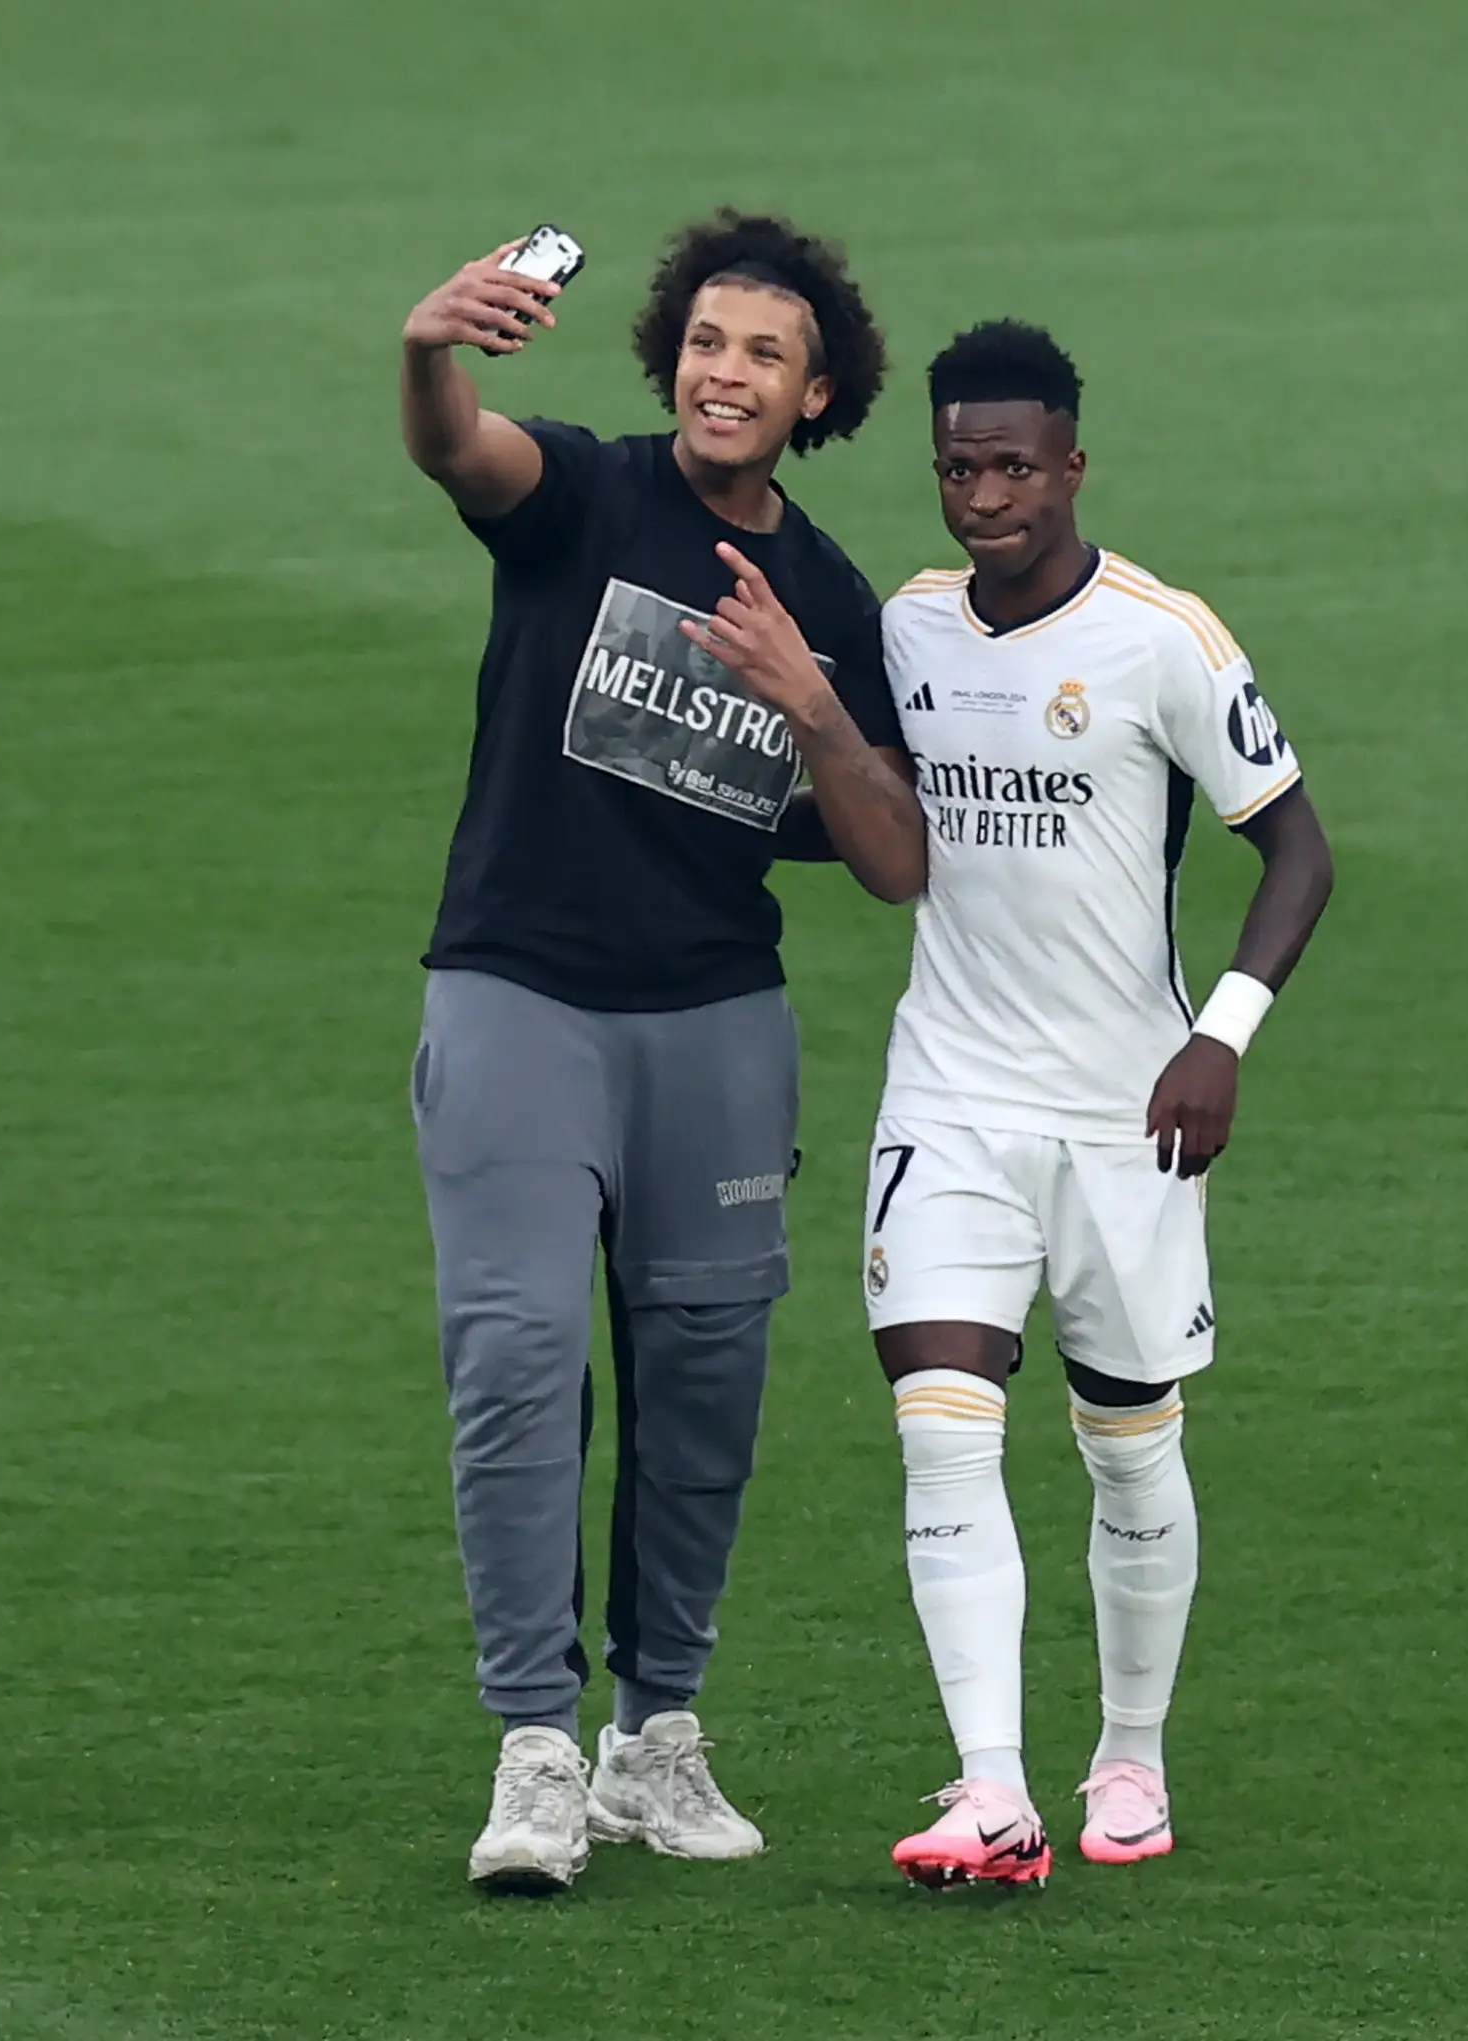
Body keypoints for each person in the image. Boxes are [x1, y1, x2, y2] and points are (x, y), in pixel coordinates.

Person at [396, 211, 926, 1893]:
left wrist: (810, 698)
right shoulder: (584, 496)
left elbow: (897, 861)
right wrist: (428, 352)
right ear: (668, 359)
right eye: (706, 342)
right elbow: (460, 452)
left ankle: (657, 1738)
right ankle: (535, 1748)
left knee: (705, 1382)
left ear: (813, 392)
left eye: (763, 354)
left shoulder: (827, 595)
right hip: (520, 1001)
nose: (725, 372)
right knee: (520, 1355)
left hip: (714, 1022)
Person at [862, 322, 1336, 1885]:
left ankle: (1128, 1753)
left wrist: (1225, 1038)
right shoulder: (911, 628)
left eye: (1012, 465)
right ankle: (989, 1792)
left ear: (1072, 464)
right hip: (950, 1094)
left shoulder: (1161, 640)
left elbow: (1299, 851)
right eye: (956, 466)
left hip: (1127, 1112)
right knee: (942, 1429)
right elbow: (873, 816)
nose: (983, 494)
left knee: (1127, 1445)